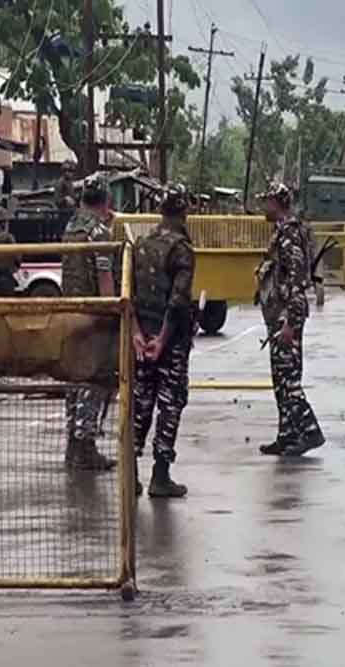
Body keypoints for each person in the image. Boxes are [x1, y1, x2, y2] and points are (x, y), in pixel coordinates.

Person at [132, 183, 195, 498]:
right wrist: (163, 338)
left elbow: (129, 293)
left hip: (142, 339)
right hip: (169, 342)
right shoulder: (181, 249)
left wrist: (137, 333)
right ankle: (160, 475)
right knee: (170, 404)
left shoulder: (141, 244)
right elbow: (178, 299)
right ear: (184, 211)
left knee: (140, 402)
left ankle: (130, 475)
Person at [255, 182, 325, 457]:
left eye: (267, 201)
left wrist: (290, 323)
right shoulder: (281, 232)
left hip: (287, 316)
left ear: (277, 203)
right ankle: (286, 435)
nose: (263, 206)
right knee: (279, 379)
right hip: (278, 315)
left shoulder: (290, 235)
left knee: (289, 379)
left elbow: (297, 283)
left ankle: (310, 431)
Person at [60, 174, 117, 471]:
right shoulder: (99, 233)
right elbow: (105, 278)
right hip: (94, 317)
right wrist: (112, 311)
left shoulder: (71, 228)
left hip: (70, 313)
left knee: (74, 379)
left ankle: (73, 443)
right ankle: (86, 446)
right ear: (107, 200)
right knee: (94, 380)